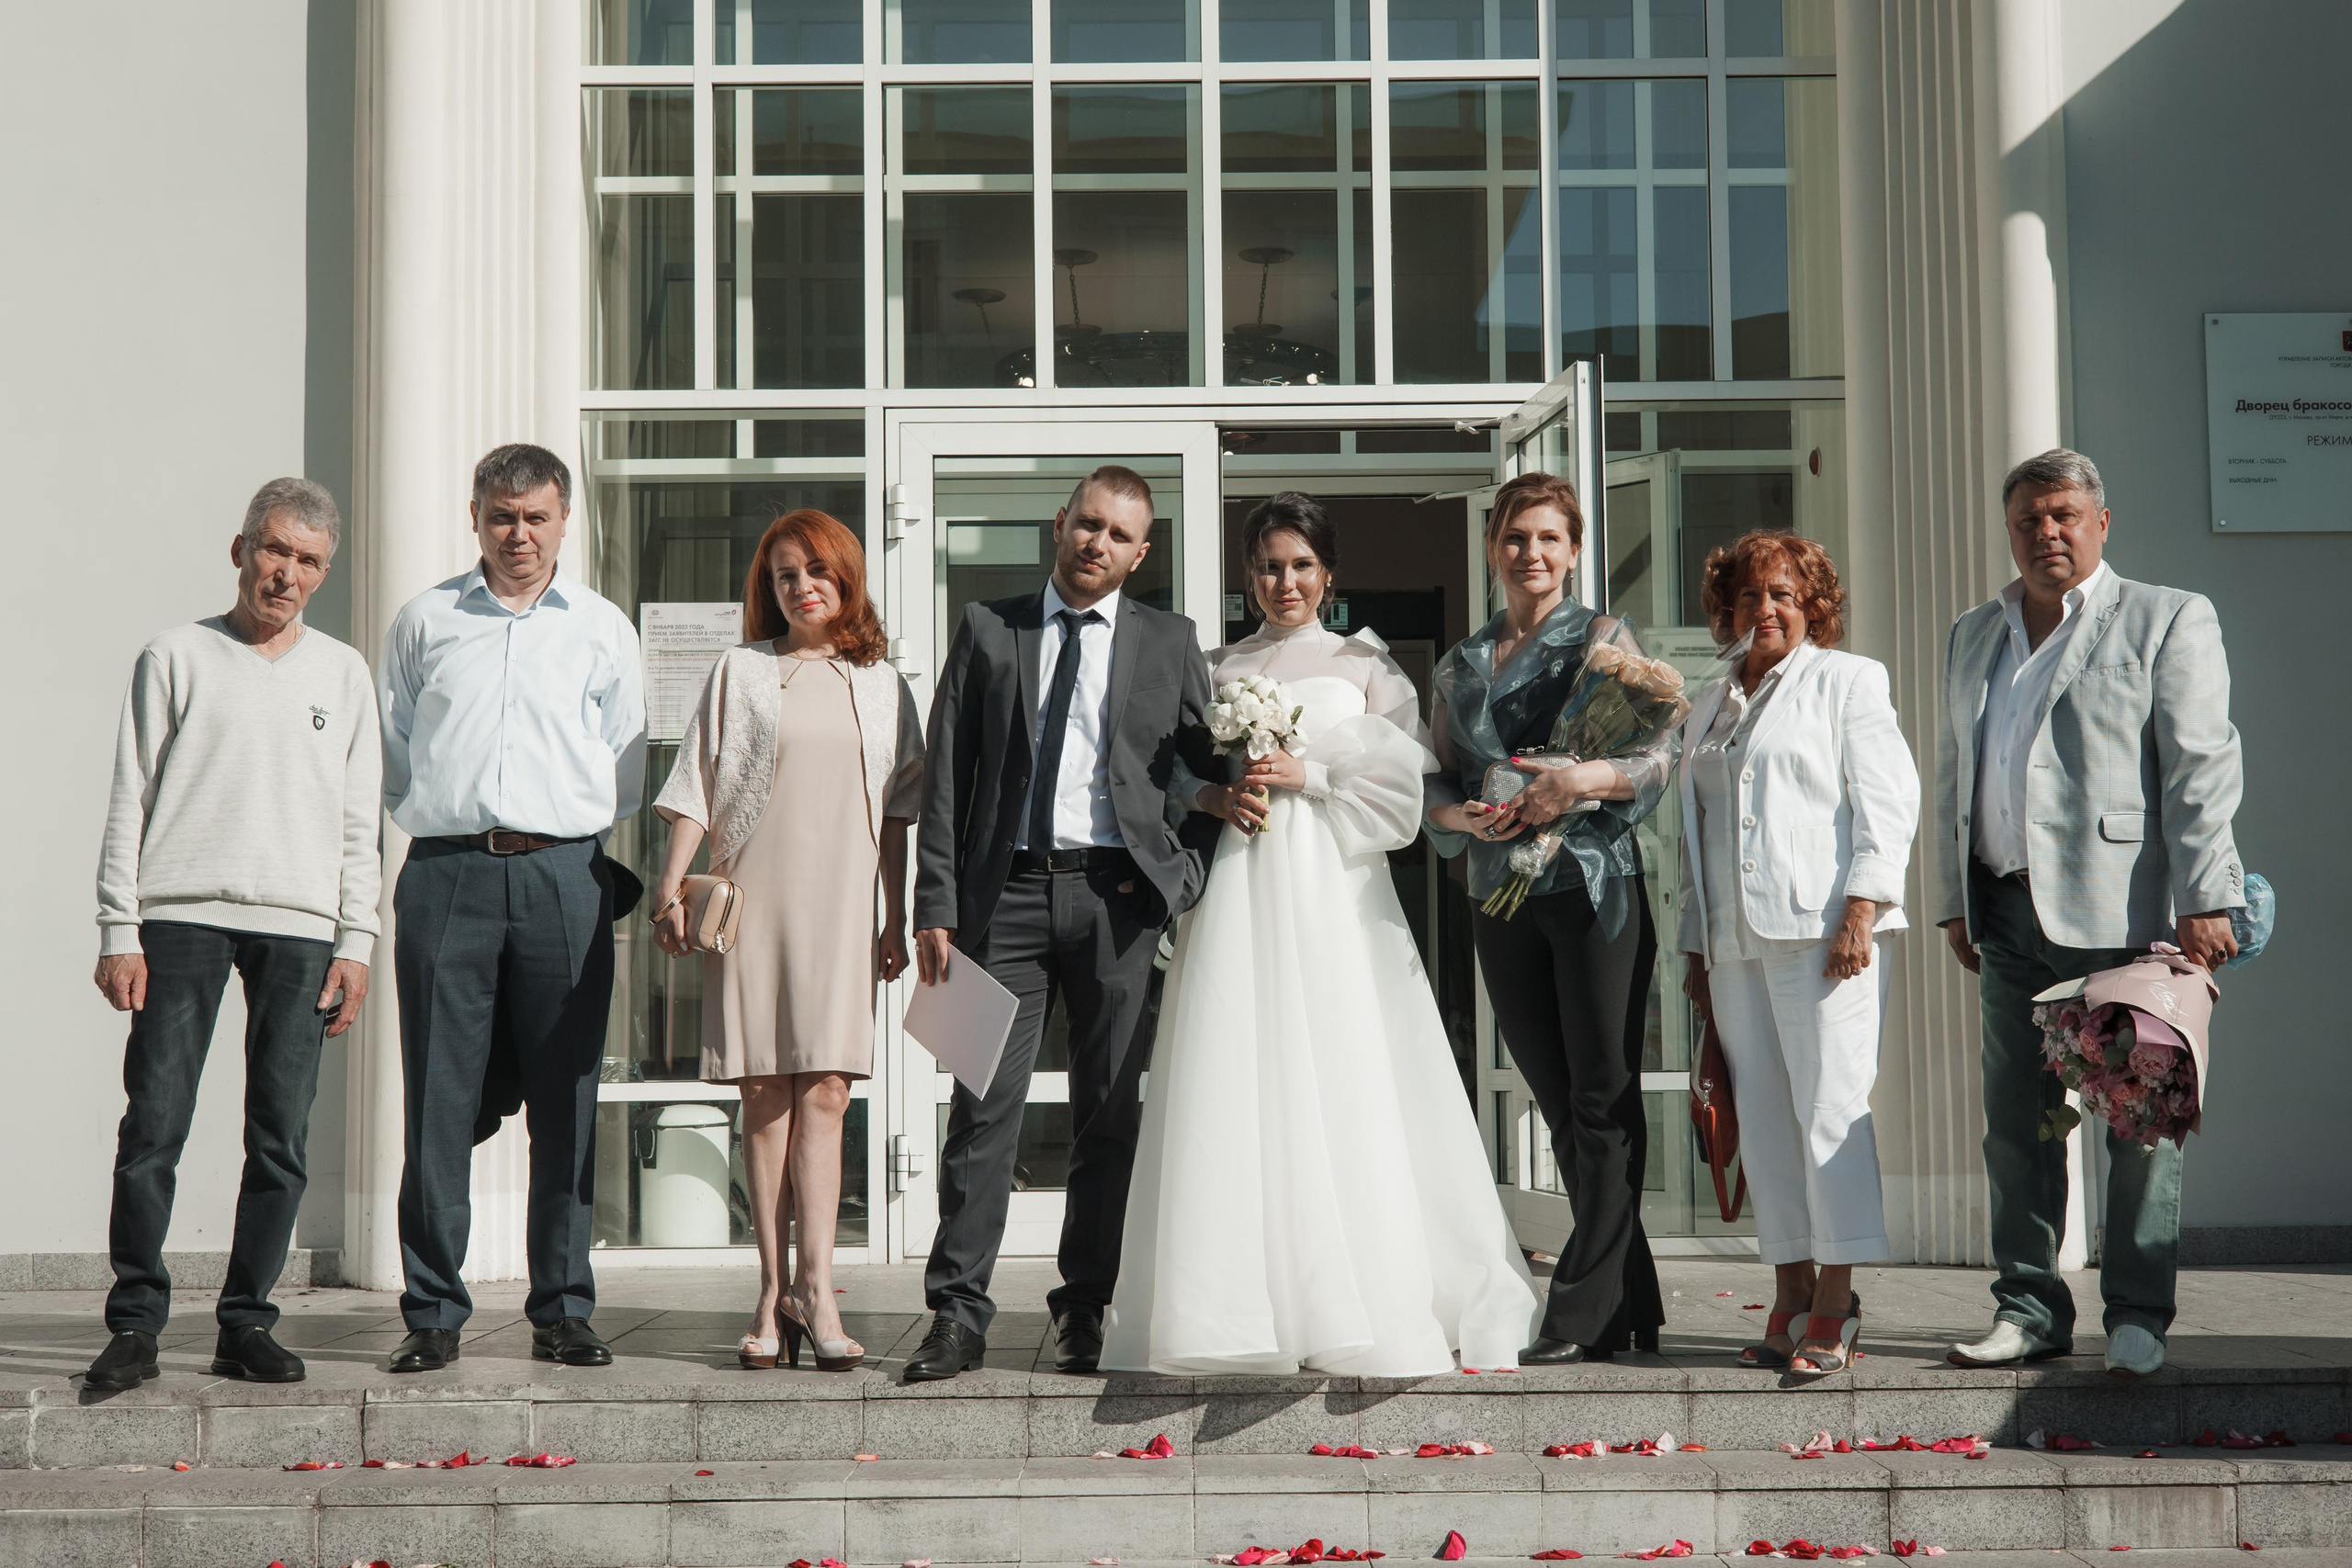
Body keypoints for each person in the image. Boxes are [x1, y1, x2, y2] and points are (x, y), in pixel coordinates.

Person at [1102, 493, 1538, 1375]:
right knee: (1240, 1065)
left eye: (1301, 565)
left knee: (1350, 1065)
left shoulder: (1367, 665)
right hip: (1242, 884)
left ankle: (1366, 1289)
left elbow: (1403, 787)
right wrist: (1217, 792)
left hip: (1336, 889)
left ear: (1328, 575)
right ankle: (1232, 1298)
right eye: (1268, 566)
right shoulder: (1216, 663)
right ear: (1248, 576)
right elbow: (1177, 773)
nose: (1285, 582)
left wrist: (1312, 771)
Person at [905, 464, 1217, 1382]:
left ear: (1141, 552)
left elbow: (1207, 771)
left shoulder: (1169, 641)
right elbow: (946, 782)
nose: (1097, 544)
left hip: (1117, 905)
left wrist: (1180, 874)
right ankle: (956, 1316)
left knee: (1108, 1116)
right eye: (1087, 524)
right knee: (978, 1111)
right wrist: (935, 905)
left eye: (1119, 535)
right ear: (1059, 522)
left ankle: (1085, 1309)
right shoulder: (987, 627)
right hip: (996, 904)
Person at [1937, 449, 2244, 1379]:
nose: (2046, 532)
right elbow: (1960, 768)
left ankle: (2139, 1315)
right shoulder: (1972, 632)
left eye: (2065, 515)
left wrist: (2206, 894)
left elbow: (2200, 763)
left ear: (2100, 524)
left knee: (2139, 1119)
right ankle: (2028, 1306)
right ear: (2010, 528)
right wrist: (1953, 897)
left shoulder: (2164, 617)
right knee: (2015, 1122)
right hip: (2004, 908)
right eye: (2029, 517)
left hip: (2128, 915)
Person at [85, 479, 380, 1392]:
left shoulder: (343, 674)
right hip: (181, 916)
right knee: (155, 1126)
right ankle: (135, 1324)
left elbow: (358, 818)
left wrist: (357, 941)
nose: (286, 573)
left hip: (299, 926)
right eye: (275, 550)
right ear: (240, 549)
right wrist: (117, 924)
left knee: (281, 1135)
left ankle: (245, 1323)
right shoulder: (175, 655)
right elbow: (130, 791)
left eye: (307, 560)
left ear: (323, 574)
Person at [379, 443, 647, 1374]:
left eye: (535, 517)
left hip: (563, 875)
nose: (518, 534)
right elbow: (396, 750)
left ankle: (565, 1306)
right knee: (437, 1098)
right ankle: (433, 1311)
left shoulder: (603, 630)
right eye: (501, 517)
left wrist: (553, 833)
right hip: (446, 873)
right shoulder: (425, 621)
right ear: (475, 518)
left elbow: (623, 767)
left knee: (567, 1099)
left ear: (564, 519)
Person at [650, 509, 922, 1372]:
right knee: (763, 1091)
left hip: (844, 901)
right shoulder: (742, 670)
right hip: (753, 896)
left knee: (830, 1094)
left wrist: (894, 913)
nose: (800, 586)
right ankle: (771, 1293)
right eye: (782, 576)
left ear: (846, 577)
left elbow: (900, 816)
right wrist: (669, 883)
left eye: (815, 570)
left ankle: (820, 1287)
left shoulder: (882, 683)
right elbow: (697, 778)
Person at [1423, 470, 1673, 1366]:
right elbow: (1437, 780)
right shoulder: (1458, 664)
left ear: (1572, 551)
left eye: (1548, 539)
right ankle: (1629, 1294)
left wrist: (1578, 781)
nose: (1531, 553)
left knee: (1602, 1099)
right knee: (1562, 1105)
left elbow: (1651, 762)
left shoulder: (1602, 638)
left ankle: (1580, 1313)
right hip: (1500, 895)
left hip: (1593, 888)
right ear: (1493, 546)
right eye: (1515, 537)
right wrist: (1455, 817)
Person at [1674, 531, 1918, 1377]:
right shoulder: (1707, 702)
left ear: (1812, 606)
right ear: (1726, 610)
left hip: (1823, 939)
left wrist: (1862, 906)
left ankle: (1837, 1299)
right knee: (1768, 1126)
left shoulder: (1848, 681)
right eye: (1749, 596)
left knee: (1829, 1112)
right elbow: (1694, 834)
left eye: (1783, 593)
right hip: (1733, 941)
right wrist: (1694, 947)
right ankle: (1788, 1286)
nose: (1766, 608)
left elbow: (1889, 801)